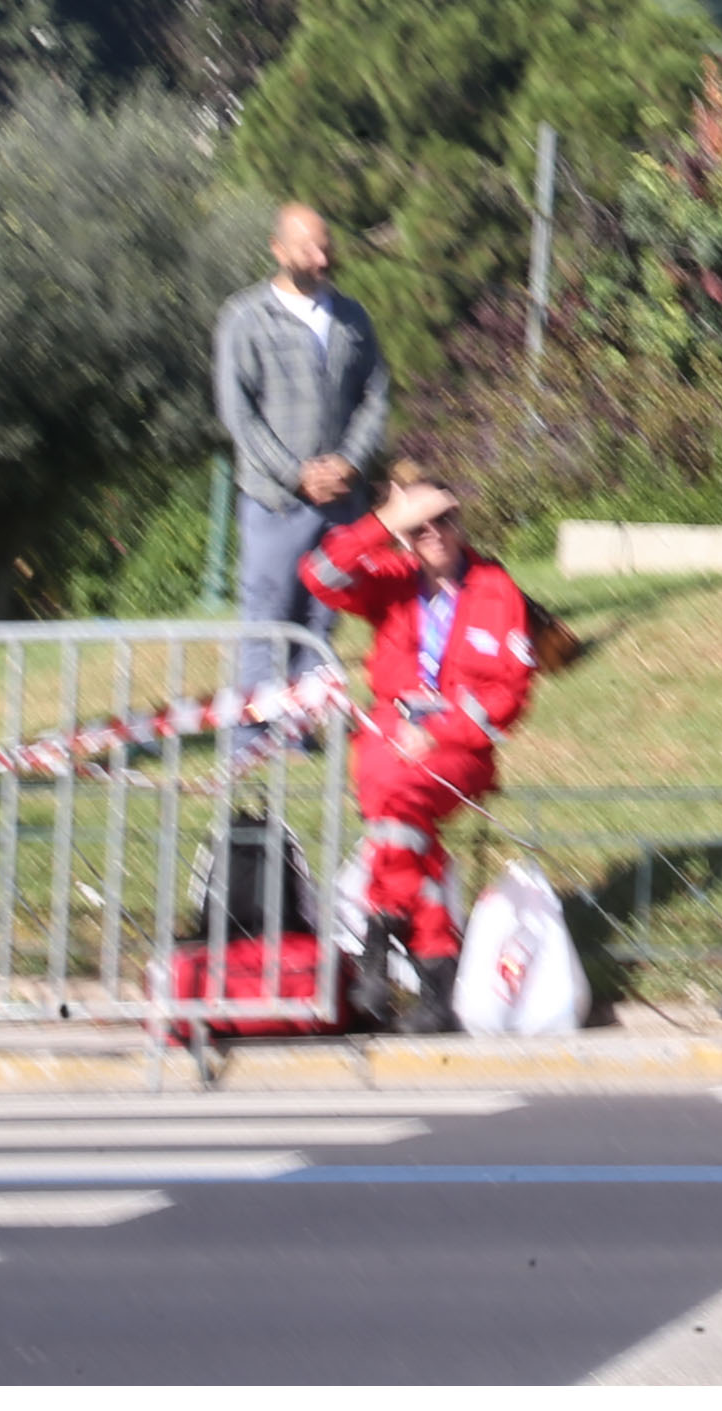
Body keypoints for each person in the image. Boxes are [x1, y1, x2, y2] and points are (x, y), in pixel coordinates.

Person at [298, 464, 540, 1031]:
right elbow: (318, 575)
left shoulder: (495, 588)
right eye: (420, 526)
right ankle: (435, 982)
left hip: (457, 750)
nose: (433, 533)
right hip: (391, 741)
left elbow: (509, 694)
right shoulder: (391, 577)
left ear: (461, 521)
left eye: (444, 520)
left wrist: (438, 731)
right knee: (404, 823)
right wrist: (384, 520)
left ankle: (383, 933)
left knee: (392, 796)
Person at [213, 203, 393, 696]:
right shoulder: (245, 318)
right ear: (278, 250)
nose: (320, 256)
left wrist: (350, 464)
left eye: (325, 245)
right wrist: (297, 475)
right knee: (267, 621)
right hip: (275, 503)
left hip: (340, 505)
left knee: (321, 623)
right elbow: (239, 415)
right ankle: (253, 742)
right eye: (307, 247)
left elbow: (376, 396)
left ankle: (301, 733)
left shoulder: (352, 318)